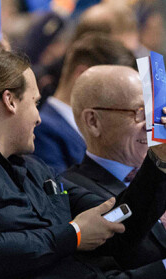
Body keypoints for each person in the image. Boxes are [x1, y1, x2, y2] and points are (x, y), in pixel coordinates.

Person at [0, 47, 166, 279]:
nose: (39, 118)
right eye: (35, 103)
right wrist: (73, 235)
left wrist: (159, 161)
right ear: (10, 101)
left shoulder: (33, 168)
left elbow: (117, 220)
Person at [62, 65, 166, 270]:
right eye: (141, 113)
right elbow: (124, 234)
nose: (152, 126)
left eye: (155, 113)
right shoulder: (70, 189)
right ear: (93, 121)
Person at [33, 33, 137, 173]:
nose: (125, 98)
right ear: (83, 74)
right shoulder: (42, 129)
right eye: (119, 87)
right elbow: (59, 191)